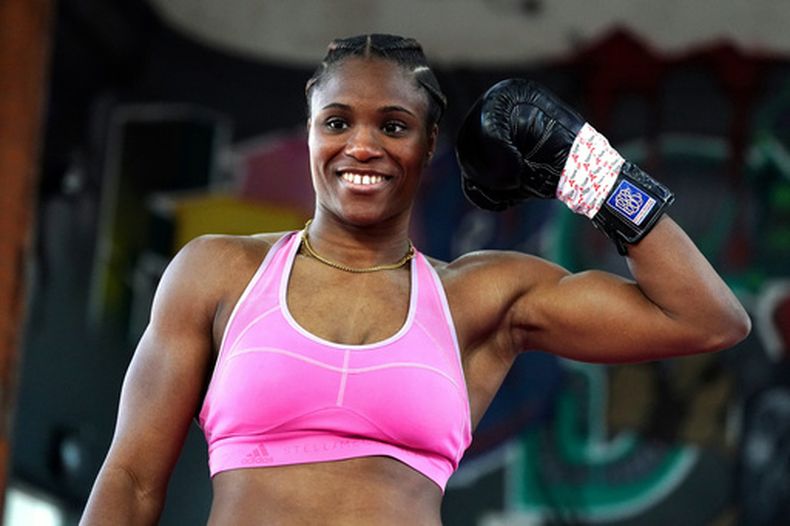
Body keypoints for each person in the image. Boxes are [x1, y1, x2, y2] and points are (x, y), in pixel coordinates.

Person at [80, 34, 751, 526]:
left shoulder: (478, 297)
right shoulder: (218, 271)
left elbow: (707, 319)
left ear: (429, 146)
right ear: (311, 133)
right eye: (337, 122)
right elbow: (134, 480)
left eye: (393, 126)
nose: (362, 146)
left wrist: (594, 173)